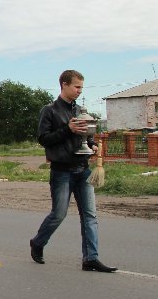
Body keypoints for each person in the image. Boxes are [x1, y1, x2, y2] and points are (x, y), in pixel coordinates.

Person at [30, 70, 117, 273]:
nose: (80, 91)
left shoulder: (80, 111)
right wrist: (67, 129)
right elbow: (43, 139)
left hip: (83, 170)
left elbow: (87, 136)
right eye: (77, 87)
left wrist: (92, 144)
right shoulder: (50, 110)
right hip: (61, 171)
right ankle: (38, 242)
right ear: (64, 85)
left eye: (81, 87)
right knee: (59, 214)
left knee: (90, 215)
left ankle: (91, 258)